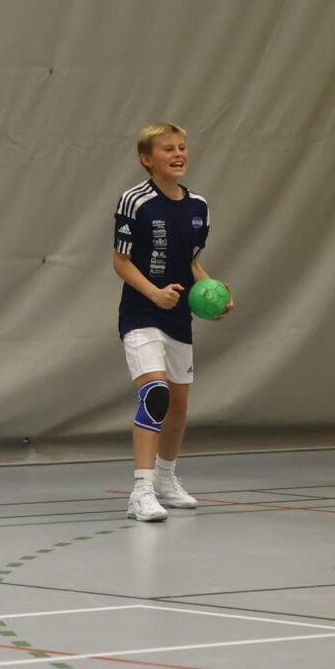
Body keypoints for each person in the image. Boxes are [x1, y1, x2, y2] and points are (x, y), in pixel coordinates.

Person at [111, 122, 230, 523]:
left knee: (178, 405)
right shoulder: (135, 201)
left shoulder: (199, 207)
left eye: (182, 147)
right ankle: (141, 490)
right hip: (142, 313)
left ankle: (165, 480)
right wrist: (154, 294)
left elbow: (191, 262)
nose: (178, 154)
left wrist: (214, 294)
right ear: (147, 159)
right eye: (168, 149)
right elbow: (121, 262)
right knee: (156, 395)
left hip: (178, 317)